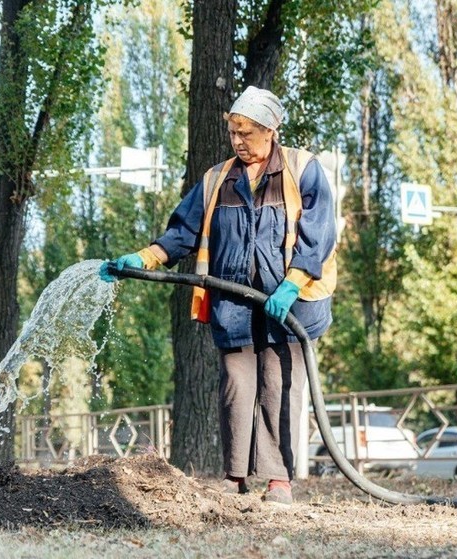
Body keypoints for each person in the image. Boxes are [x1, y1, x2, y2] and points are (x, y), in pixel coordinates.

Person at [99, 86, 337, 506]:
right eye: (233, 132)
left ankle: (278, 479)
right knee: (236, 385)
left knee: (280, 384)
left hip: (292, 302)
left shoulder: (303, 169)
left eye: (246, 133)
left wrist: (292, 282)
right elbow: (183, 232)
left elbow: (318, 235)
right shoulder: (216, 179)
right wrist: (143, 258)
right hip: (234, 305)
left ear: (270, 130)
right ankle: (235, 476)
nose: (238, 141)